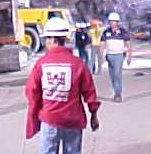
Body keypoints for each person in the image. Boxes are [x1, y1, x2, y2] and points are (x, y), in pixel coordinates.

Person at [25, 16, 100, 154]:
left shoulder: (42, 64)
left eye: (47, 38)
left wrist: (34, 116)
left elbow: (31, 92)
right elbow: (90, 93)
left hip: (49, 120)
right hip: (73, 120)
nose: (46, 42)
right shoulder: (77, 64)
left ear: (53, 39)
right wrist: (93, 115)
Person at [99, 12, 131, 102]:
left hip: (119, 55)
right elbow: (102, 44)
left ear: (117, 22)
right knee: (112, 75)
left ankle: (118, 93)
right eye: (111, 21)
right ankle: (115, 90)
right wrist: (100, 56)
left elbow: (128, 44)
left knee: (117, 74)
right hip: (109, 55)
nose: (112, 23)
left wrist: (129, 56)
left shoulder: (122, 32)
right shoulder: (106, 32)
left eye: (114, 21)